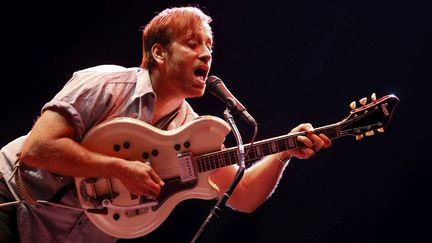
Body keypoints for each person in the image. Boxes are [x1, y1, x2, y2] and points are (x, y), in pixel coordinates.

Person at [0, 6, 331, 243]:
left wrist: (282, 152)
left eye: (209, 47)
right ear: (158, 52)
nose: (206, 55)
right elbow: (38, 149)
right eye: (192, 44)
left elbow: (241, 195)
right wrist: (120, 169)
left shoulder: (193, 129)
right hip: (12, 201)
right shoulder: (106, 84)